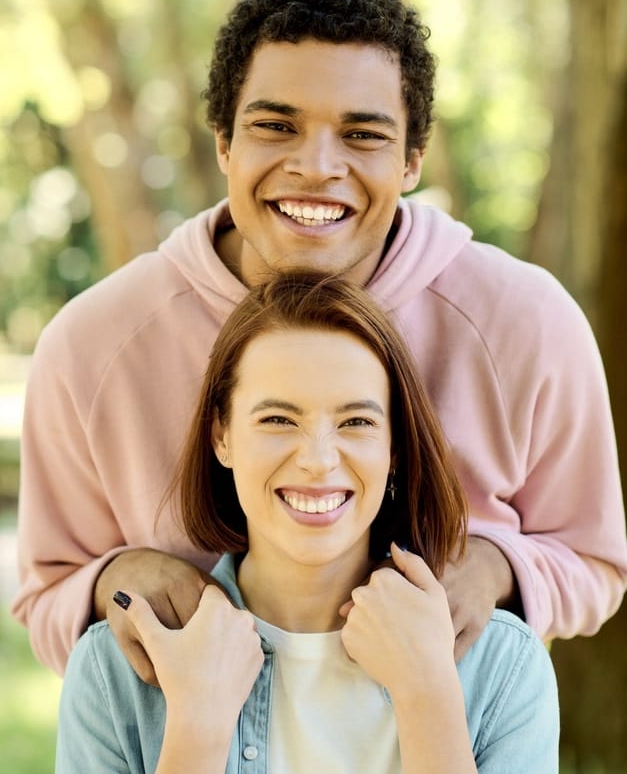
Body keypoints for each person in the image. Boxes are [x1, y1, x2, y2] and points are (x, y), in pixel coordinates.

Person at [13, 0, 627, 681]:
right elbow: (45, 595)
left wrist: (497, 568)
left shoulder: (527, 321)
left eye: (362, 135)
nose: (315, 166)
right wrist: (118, 578)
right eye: (275, 126)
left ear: (410, 160)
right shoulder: (90, 346)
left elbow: (594, 561)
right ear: (223, 142)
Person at [55, 273, 560, 774]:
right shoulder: (114, 671)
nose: (318, 461)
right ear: (222, 436)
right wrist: (196, 729)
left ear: (396, 448)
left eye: (356, 422)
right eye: (278, 420)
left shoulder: (502, 666)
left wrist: (428, 695)